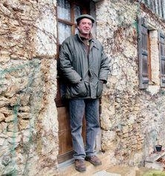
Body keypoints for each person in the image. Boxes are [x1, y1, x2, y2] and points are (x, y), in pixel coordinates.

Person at [58, 14, 110, 172]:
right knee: (76, 126)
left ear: (91, 27)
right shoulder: (69, 43)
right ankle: (79, 157)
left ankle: (90, 153)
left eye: (89, 23)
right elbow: (64, 64)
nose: (87, 26)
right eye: (83, 23)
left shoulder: (97, 45)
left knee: (93, 124)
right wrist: (78, 81)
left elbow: (105, 63)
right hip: (77, 91)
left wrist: (101, 80)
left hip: (94, 91)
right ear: (78, 26)